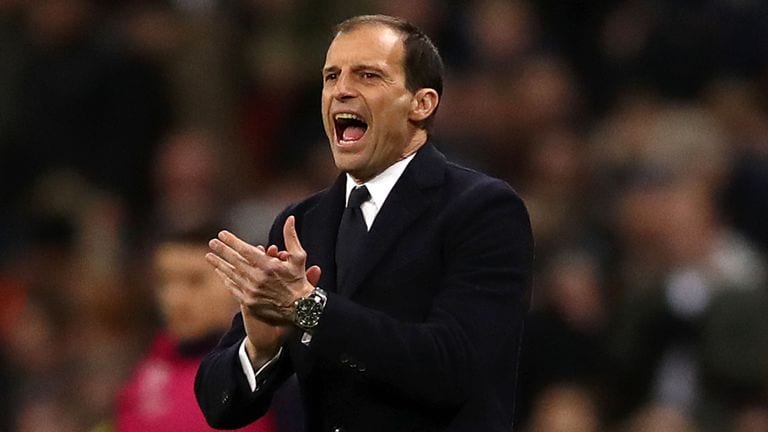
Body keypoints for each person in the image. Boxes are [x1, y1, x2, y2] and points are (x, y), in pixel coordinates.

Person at [196, 14, 534, 432]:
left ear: (421, 103)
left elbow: (453, 367)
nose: (341, 90)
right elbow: (219, 404)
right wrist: (259, 350)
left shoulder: (482, 209)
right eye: (331, 76)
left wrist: (309, 308)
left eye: (368, 75)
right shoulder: (302, 224)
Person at [116, 231, 279, 432]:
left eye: (195, 280)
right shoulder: (144, 370)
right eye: (164, 281)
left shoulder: (272, 370)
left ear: (237, 279)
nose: (175, 299)